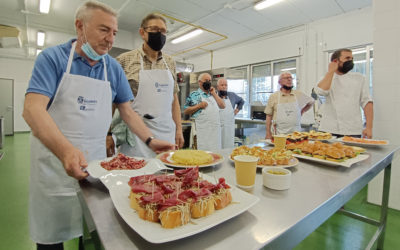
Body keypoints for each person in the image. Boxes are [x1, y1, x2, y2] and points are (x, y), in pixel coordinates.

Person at [22, 2, 174, 249]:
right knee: (51, 236)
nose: (110, 39)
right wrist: (65, 151)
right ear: (79, 26)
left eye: (114, 32)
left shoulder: (112, 68)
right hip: (53, 166)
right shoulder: (53, 59)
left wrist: (150, 140)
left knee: (92, 232)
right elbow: (32, 109)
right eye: (104, 30)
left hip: (94, 168)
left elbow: (127, 110)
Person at [108, 13, 184, 158]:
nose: (159, 34)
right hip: (135, 136)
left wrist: (178, 130)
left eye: (163, 31)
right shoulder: (123, 60)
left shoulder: (170, 62)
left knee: (164, 176)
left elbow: (174, 101)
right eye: (155, 29)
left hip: (166, 133)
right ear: (142, 32)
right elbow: (112, 102)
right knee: (134, 175)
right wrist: (108, 133)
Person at [314, 48, 373, 138]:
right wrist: (331, 71)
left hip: (352, 130)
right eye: (347, 58)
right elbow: (321, 91)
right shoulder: (326, 77)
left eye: (352, 59)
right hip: (328, 129)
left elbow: (367, 103)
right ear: (335, 61)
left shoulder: (359, 78)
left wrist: (369, 127)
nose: (351, 61)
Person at [264, 72, 314, 139]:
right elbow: (269, 116)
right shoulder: (274, 96)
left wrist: (303, 110)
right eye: (286, 78)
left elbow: (311, 102)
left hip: (296, 134)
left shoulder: (298, 94)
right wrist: (268, 133)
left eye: (291, 78)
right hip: (278, 134)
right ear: (279, 82)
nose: (289, 79)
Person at [184, 73, 225, 151]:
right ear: (200, 82)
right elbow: (186, 110)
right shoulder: (194, 95)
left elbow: (223, 106)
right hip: (203, 133)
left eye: (210, 81)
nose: (208, 82)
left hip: (215, 134)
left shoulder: (213, 94)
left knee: (216, 155)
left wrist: (214, 94)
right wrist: (199, 106)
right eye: (206, 80)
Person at [216, 78, 244, 148]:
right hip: (217, 128)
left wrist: (237, 109)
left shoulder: (232, 95)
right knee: (218, 146)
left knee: (228, 146)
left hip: (229, 128)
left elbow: (242, 101)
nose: (224, 87)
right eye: (222, 85)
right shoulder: (214, 96)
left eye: (226, 85)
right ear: (217, 87)